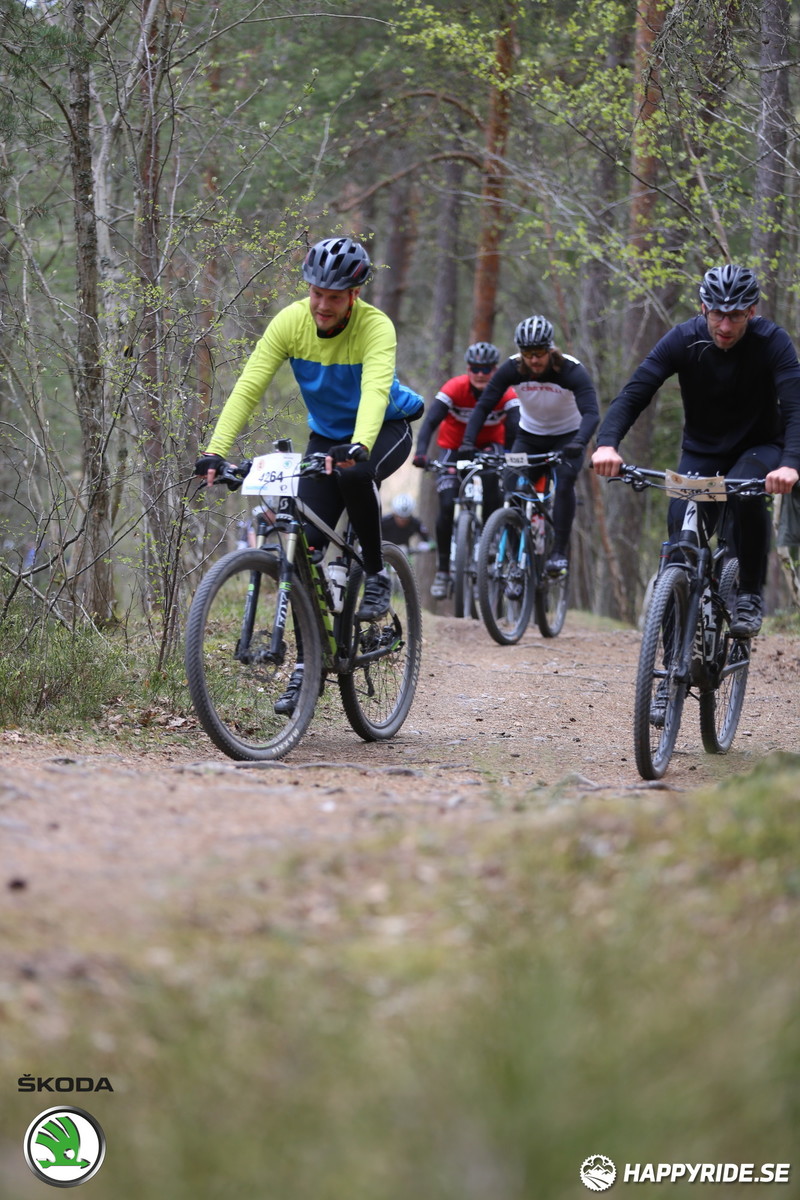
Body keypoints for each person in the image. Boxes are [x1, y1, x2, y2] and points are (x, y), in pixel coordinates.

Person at [195, 235, 423, 713]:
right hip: (328, 435)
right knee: (307, 548)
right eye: (316, 293)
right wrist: (216, 451)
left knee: (355, 476)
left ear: (354, 296)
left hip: (384, 427)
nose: (322, 305)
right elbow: (249, 386)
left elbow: (375, 392)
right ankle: (309, 665)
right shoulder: (291, 322)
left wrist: (359, 446)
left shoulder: (375, 327)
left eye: (334, 297)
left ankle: (376, 572)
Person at [591, 263, 800, 638]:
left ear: (752, 312)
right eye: (717, 313)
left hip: (760, 447)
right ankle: (673, 652)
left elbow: (796, 407)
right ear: (703, 307)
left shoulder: (772, 342)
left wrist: (790, 465)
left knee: (745, 493)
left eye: (736, 316)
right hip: (702, 451)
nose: (725, 326)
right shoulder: (682, 339)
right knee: (680, 538)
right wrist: (607, 444)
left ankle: (749, 595)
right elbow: (635, 393)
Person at [460, 316, 599, 576]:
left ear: (550, 349)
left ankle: (558, 552)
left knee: (565, 481)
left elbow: (591, 413)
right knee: (510, 488)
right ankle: (515, 560)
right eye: (527, 353)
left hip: (567, 437)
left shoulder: (571, 370)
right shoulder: (513, 368)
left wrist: (580, 441)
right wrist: (468, 440)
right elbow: (484, 405)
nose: (533, 360)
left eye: (539, 353)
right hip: (530, 437)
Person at [413, 341, 519, 598]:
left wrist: (513, 455)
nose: (480, 374)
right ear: (468, 369)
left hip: (490, 446)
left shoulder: (505, 393)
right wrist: (421, 452)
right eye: (475, 368)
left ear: (495, 370)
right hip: (453, 448)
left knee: (492, 485)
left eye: (486, 369)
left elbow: (516, 425)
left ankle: (490, 540)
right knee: (446, 504)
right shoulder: (454, 388)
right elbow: (430, 422)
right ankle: (443, 571)